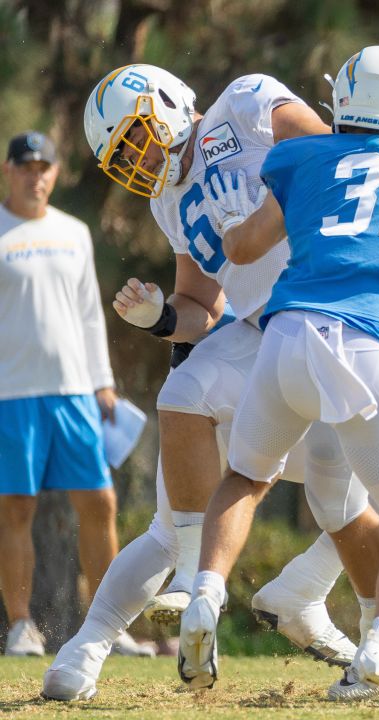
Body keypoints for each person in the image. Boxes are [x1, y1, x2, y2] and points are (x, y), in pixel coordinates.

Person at [45, 62, 379, 703]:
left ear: (171, 103)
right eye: (122, 152)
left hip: (340, 320)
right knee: (179, 406)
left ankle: (364, 638)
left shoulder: (246, 102)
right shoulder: (166, 199)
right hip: (267, 337)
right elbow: (200, 307)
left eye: (136, 135)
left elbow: (329, 154)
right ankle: (102, 637)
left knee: (358, 506)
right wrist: (160, 318)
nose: (137, 157)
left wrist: (264, 221)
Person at [178, 45, 379, 705]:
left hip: (285, 335)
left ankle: (203, 596)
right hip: (366, 343)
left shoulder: (302, 160)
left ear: (340, 101)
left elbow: (243, 247)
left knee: (246, 477)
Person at [0, 131, 145, 658]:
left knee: (99, 502)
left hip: (74, 392)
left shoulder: (75, 232)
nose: (34, 175)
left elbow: (89, 314)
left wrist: (101, 379)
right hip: (10, 394)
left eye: (43, 167)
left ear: (55, 173)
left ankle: (107, 625)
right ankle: (21, 627)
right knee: (15, 509)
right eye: (25, 166)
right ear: (8, 171)